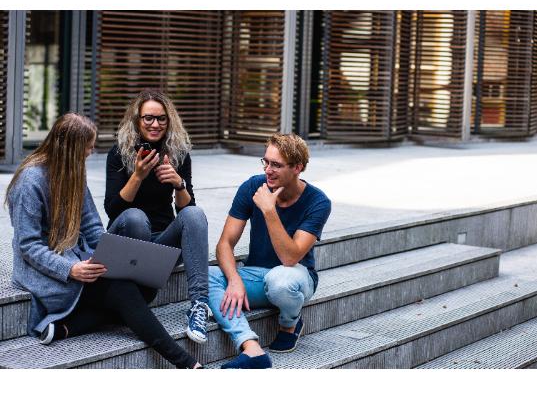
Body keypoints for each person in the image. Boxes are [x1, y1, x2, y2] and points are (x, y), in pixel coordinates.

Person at [6, 113, 202, 369]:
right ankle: (185, 362)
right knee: (125, 292)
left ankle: (68, 327)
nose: (90, 152)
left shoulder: (73, 172)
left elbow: (92, 227)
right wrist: (71, 269)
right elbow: (28, 245)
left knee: (145, 288)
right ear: (69, 148)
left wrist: (112, 255)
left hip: (80, 261)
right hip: (47, 272)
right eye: (87, 148)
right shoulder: (30, 181)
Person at [208, 133, 331, 369]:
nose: (268, 170)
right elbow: (225, 243)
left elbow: (290, 257)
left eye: (276, 165)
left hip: (295, 277)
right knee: (206, 276)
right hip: (255, 275)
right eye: (266, 162)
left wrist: (269, 210)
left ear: (297, 168)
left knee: (280, 280)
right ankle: (250, 347)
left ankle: (290, 323)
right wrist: (234, 280)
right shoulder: (252, 186)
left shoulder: (318, 202)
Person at [104, 90, 211, 344]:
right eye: (148, 118)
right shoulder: (119, 153)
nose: (155, 124)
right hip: (127, 239)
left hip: (162, 244)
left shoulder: (178, 153)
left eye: (161, 119)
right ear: (137, 120)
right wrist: (138, 175)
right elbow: (113, 210)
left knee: (195, 214)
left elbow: (187, 212)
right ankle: (135, 297)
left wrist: (179, 184)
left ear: (169, 120)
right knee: (136, 217)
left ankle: (199, 306)